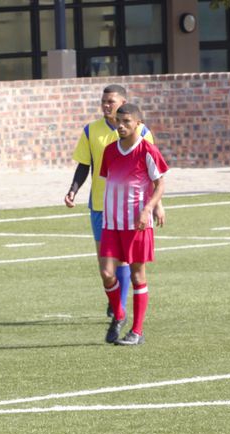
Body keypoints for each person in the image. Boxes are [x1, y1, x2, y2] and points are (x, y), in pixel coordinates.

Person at [65, 84, 161, 317]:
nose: (106, 105)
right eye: (104, 101)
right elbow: (84, 164)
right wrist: (73, 190)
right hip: (101, 206)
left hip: (132, 209)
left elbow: (153, 173)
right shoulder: (91, 131)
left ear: (123, 103)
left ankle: (120, 307)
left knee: (126, 262)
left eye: (111, 101)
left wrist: (156, 205)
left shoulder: (143, 132)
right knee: (105, 266)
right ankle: (117, 301)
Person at [98, 103, 168, 346]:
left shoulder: (147, 150)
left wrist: (149, 208)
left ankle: (137, 331)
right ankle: (119, 314)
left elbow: (159, 184)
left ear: (138, 123)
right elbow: (110, 182)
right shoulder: (109, 151)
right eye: (119, 121)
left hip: (137, 224)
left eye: (127, 122)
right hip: (111, 223)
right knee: (107, 273)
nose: (121, 125)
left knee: (138, 276)